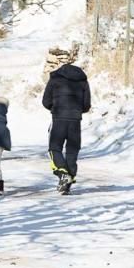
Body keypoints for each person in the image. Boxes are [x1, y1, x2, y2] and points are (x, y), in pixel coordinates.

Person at [41, 62, 91, 194]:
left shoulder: (55, 79)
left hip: (58, 119)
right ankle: (67, 183)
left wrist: (55, 108)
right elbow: (86, 105)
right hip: (75, 120)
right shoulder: (83, 80)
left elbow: (46, 101)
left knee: (54, 148)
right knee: (72, 151)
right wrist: (76, 110)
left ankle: (63, 173)